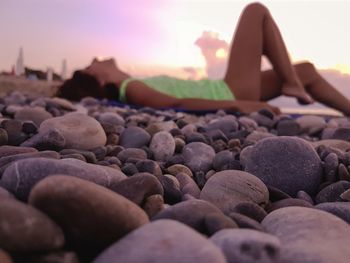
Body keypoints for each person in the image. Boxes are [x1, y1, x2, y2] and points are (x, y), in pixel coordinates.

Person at [57, 2, 350, 115]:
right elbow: (177, 103)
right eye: (90, 64)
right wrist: (244, 105)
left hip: (228, 87)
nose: (95, 58)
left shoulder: (135, 83)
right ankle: (290, 84)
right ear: (99, 78)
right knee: (255, 11)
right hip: (231, 91)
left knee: (307, 70)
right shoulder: (130, 88)